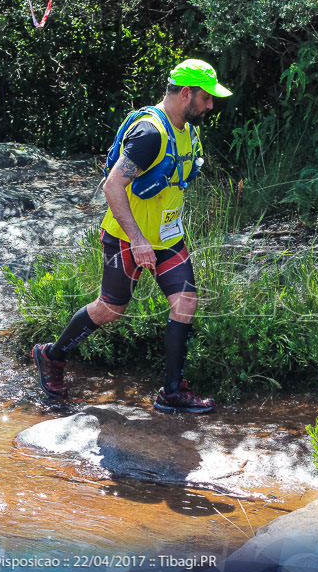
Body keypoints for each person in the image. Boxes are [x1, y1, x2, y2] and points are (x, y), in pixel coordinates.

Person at [32, 59, 232, 413]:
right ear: (186, 93)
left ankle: (172, 392)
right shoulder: (150, 134)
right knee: (111, 309)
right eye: (206, 98)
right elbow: (112, 185)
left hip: (168, 239)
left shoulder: (187, 129)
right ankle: (51, 356)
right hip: (127, 239)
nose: (211, 105)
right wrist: (138, 239)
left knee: (185, 303)